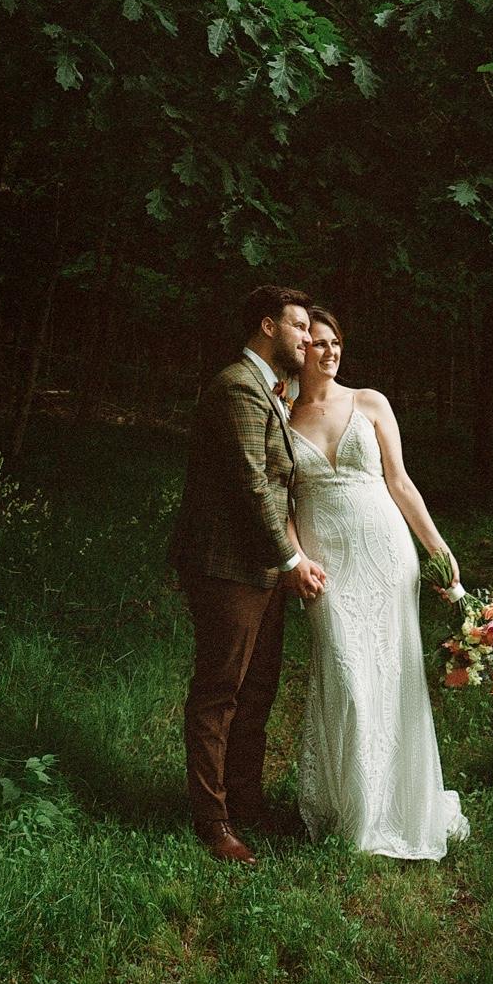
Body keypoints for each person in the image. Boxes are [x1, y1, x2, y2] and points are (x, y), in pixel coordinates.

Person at [289, 306, 469, 860]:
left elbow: (401, 482)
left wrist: (438, 549)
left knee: (391, 673)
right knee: (345, 673)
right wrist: (296, 558)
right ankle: (353, 806)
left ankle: (399, 806)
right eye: (317, 343)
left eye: (335, 342)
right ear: (300, 351)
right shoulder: (281, 413)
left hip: (387, 554)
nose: (329, 351)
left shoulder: (370, 402)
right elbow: (280, 499)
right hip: (326, 561)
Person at [170, 285, 327, 865]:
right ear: (267, 326)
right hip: (226, 565)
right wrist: (291, 560)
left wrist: (282, 560)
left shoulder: (272, 390)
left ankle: (247, 801)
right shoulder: (237, 385)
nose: (307, 338)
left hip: (261, 566)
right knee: (220, 693)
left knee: (257, 691)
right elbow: (251, 482)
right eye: (298, 326)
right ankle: (212, 821)